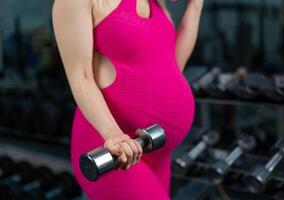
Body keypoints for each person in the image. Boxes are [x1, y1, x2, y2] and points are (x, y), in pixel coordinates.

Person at [52, 0, 204, 199]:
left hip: (156, 149)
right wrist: (114, 135)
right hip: (114, 147)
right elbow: (81, 76)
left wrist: (195, 6)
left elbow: (173, 65)